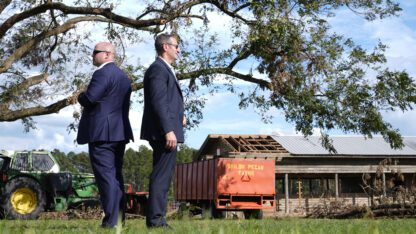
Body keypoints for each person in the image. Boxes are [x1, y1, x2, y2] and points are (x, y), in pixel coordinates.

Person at [76, 42, 134, 228]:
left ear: (108, 54)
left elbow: (90, 98)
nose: (92, 56)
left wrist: (80, 95)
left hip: (101, 134)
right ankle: (119, 220)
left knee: (106, 178)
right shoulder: (124, 77)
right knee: (116, 177)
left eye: (95, 52)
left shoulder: (102, 73)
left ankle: (111, 222)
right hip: (119, 132)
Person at [140, 33, 185, 228]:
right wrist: (168, 129)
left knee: (163, 176)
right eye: (176, 46)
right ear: (165, 47)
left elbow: (166, 101)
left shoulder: (164, 69)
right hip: (163, 133)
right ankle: (156, 221)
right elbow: (158, 102)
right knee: (161, 177)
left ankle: (157, 219)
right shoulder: (158, 69)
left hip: (167, 130)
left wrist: (179, 117)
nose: (179, 49)